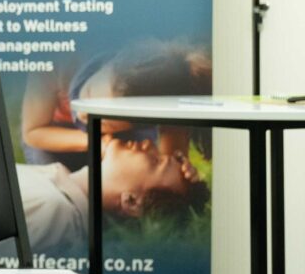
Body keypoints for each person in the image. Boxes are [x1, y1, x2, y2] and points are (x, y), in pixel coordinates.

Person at [21, 40, 212, 171]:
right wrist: (97, 141)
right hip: (53, 136)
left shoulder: (164, 102)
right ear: (108, 64)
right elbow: (33, 132)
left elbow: (171, 168)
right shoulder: (60, 58)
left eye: (104, 121)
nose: (84, 115)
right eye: (88, 93)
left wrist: (181, 173)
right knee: (52, 176)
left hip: (117, 143)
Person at [17, 137, 210, 251]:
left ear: (132, 202)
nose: (147, 144)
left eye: (154, 161)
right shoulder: (53, 193)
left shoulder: (52, 210)